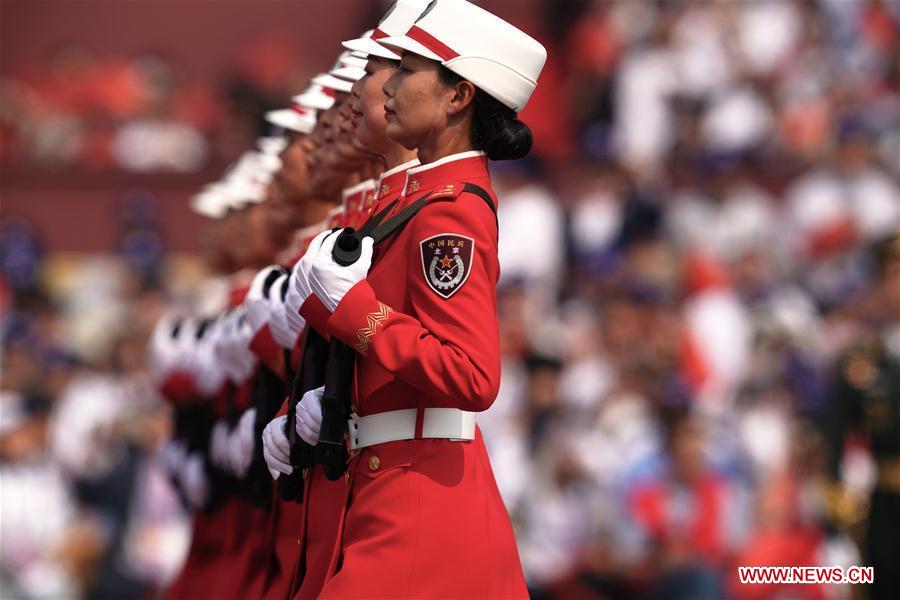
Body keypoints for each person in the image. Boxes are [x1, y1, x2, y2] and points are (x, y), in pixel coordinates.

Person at [286, 0, 547, 595]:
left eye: (406, 71)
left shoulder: (451, 213)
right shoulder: (415, 203)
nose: (387, 88)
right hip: (388, 485)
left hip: (420, 502)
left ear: (458, 97)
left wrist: (353, 311)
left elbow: (471, 374)